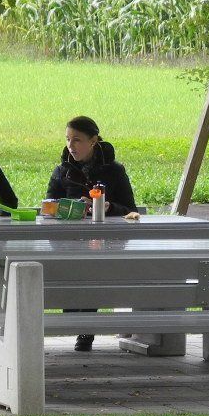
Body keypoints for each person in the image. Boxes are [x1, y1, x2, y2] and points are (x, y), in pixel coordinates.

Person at [45, 116, 137, 352]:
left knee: (93, 269)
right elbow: (47, 208)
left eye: (77, 140)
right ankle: (78, 321)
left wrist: (108, 207)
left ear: (93, 141)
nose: (70, 145)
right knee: (72, 273)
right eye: (68, 139)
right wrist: (71, 207)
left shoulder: (114, 171)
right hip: (67, 243)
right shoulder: (62, 171)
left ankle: (85, 329)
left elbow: (130, 209)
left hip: (105, 244)